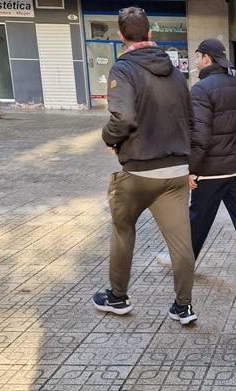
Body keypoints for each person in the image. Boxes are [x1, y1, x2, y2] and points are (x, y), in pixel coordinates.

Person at [92, 6, 198, 324]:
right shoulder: (178, 74)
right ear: (150, 34)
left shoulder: (123, 70)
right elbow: (192, 121)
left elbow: (122, 117)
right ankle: (184, 306)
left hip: (138, 171)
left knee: (123, 229)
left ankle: (118, 296)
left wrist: (110, 139)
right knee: (181, 242)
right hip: (177, 171)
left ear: (122, 37)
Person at [188, 38, 236, 290]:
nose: (196, 61)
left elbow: (200, 135)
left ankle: (184, 265)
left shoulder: (201, 89)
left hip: (211, 170)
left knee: (197, 219)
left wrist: (192, 169)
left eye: (197, 56)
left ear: (207, 58)